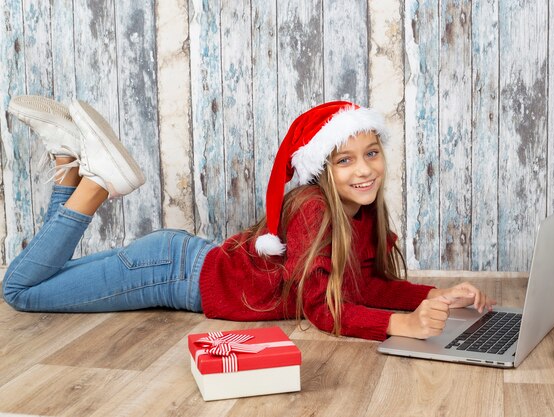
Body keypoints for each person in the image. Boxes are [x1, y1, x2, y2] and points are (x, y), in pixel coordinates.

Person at [2, 97, 495, 341]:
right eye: (345, 160)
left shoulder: (360, 214)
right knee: (20, 291)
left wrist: (433, 297)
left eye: (371, 153)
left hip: (176, 258)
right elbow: (325, 310)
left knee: (46, 278)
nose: (365, 169)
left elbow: (362, 285)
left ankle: (69, 165)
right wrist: (401, 325)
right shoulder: (312, 210)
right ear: (321, 169)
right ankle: (93, 185)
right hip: (168, 274)